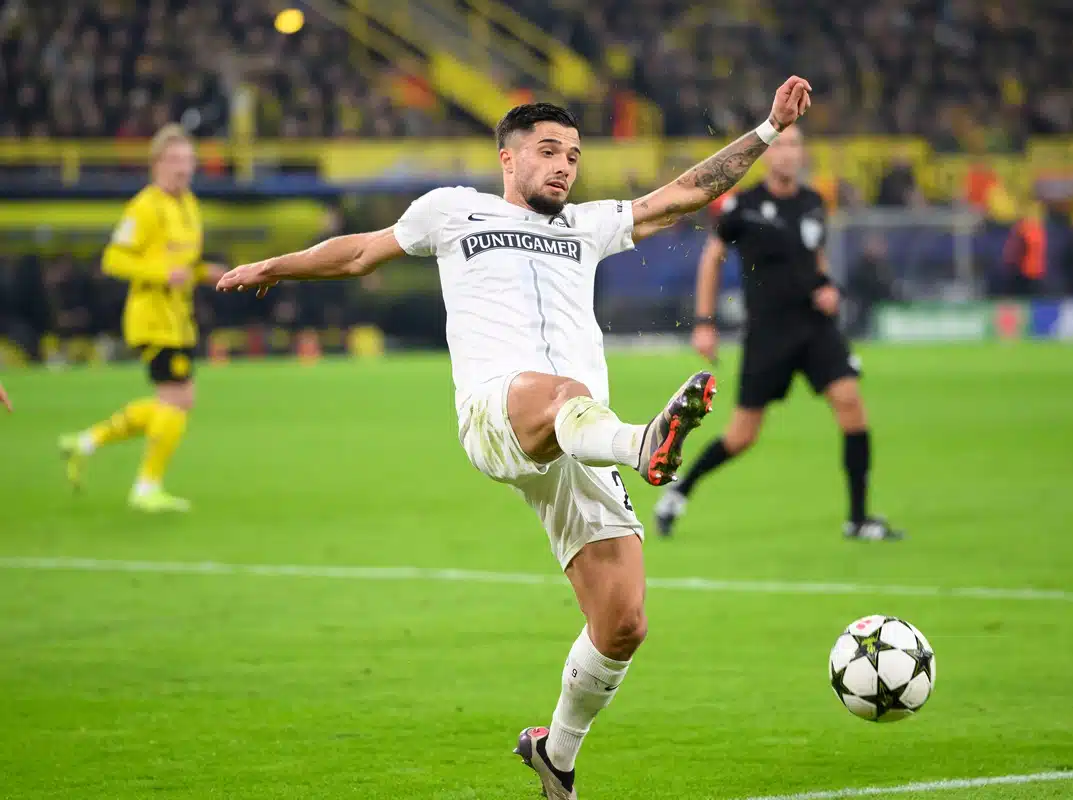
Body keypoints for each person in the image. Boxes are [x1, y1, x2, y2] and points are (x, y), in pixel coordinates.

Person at [217, 78, 812, 800]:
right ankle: (645, 443)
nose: (565, 166)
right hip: (501, 413)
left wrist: (769, 129)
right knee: (563, 393)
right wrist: (274, 267)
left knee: (622, 622)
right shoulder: (450, 212)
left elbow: (682, 195)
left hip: (577, 441)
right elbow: (357, 253)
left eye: (574, 155)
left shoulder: (586, 226)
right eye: (549, 151)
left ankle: (556, 755)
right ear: (508, 159)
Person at [654, 126, 903, 543]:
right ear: (768, 155)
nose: (787, 154)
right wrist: (704, 322)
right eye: (781, 146)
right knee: (741, 436)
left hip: (814, 327)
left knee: (850, 403)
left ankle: (858, 519)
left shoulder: (812, 203)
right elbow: (712, 258)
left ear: (802, 155)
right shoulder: (742, 206)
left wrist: (826, 286)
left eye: (795, 146)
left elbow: (816, 257)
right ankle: (680, 491)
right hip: (768, 334)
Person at [58, 124, 224, 512]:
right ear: (156, 164)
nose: (183, 168)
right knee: (177, 400)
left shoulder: (189, 204)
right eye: (174, 160)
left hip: (178, 318)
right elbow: (114, 258)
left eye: (188, 160)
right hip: (151, 318)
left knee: (176, 401)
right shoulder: (145, 206)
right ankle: (145, 486)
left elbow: (185, 263)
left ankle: (86, 442)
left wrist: (208, 272)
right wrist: (161, 274)